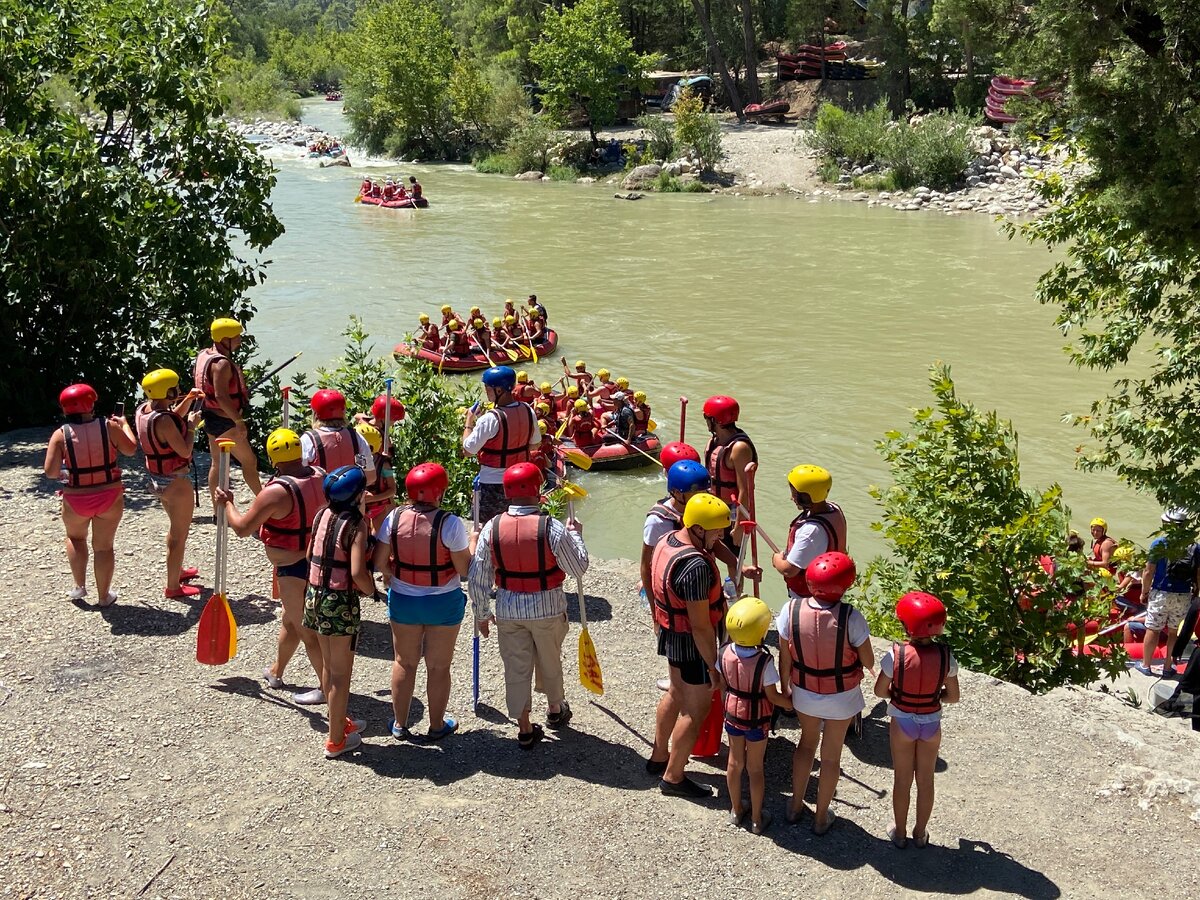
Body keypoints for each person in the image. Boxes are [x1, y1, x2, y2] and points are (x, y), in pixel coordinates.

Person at [469, 462, 589, 748]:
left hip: (509, 609)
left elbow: (478, 578)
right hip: (548, 607)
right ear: (538, 491)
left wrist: (482, 614)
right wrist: (576, 535)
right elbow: (578, 567)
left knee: (516, 667)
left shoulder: (491, 529)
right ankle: (555, 709)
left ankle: (524, 727)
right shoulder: (554, 528)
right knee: (550, 661)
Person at [218, 429, 328, 705]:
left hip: (293, 569)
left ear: (272, 458)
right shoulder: (320, 475)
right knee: (290, 621)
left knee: (307, 631)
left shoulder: (276, 492)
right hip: (316, 561)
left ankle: (328, 690)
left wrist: (228, 504)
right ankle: (276, 672)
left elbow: (243, 528)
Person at [777, 551, 874, 833]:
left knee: (806, 745)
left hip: (805, 692)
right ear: (844, 586)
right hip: (842, 698)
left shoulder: (790, 610)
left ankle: (795, 805)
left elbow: (785, 656)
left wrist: (786, 687)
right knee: (831, 756)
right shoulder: (851, 617)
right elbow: (867, 661)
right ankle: (821, 817)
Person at [374, 463, 471, 741]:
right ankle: (437, 725)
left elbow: (380, 562)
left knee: (404, 662)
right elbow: (463, 569)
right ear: (440, 492)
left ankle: (400, 725)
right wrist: (473, 546)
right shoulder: (450, 523)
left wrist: (391, 574)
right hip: (443, 603)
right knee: (438, 666)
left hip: (404, 600)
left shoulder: (393, 517)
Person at [649, 493, 733, 797]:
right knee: (695, 709)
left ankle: (659, 756)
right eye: (717, 531)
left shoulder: (669, 539)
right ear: (698, 529)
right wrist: (713, 667)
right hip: (690, 642)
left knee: (675, 691)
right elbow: (700, 625)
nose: (722, 535)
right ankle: (673, 777)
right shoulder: (695, 567)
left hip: (671, 634)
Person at [874, 592, 960, 848]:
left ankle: (899, 834)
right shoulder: (946, 657)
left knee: (902, 779)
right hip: (931, 723)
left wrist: (899, 695)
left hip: (902, 722)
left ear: (905, 625)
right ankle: (920, 834)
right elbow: (953, 697)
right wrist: (935, 696)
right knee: (926, 779)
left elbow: (879, 691)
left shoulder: (896, 655)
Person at [306, 466, 378, 759]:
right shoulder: (357, 525)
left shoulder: (321, 515)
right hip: (339, 601)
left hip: (314, 595)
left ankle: (338, 721)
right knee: (340, 674)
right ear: (357, 496)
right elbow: (358, 571)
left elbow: (310, 554)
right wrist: (371, 591)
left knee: (328, 666)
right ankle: (336, 740)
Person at [43, 383, 137, 606]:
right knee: (104, 547)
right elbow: (131, 449)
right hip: (109, 496)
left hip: (76, 498)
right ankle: (104, 597)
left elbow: (51, 472)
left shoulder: (60, 434)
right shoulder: (109, 427)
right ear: (91, 404)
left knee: (76, 539)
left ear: (65, 408)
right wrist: (124, 425)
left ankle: (79, 587)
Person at [721, 597, 791, 835]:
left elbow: (722, 683)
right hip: (756, 721)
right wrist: (791, 703)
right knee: (755, 768)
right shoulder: (764, 662)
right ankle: (757, 819)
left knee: (734, 762)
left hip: (732, 715)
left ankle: (736, 808)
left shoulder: (724, 653)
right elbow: (772, 696)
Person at [134, 369, 204, 598]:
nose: (178, 388)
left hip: (158, 479)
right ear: (168, 390)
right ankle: (173, 586)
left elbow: (170, 417)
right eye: (175, 387)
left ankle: (177, 570)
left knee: (175, 530)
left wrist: (189, 400)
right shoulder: (163, 420)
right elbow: (184, 449)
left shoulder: (144, 410)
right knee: (178, 536)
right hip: (177, 482)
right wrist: (192, 425)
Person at [194, 318, 262, 505]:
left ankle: (218, 511)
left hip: (210, 418)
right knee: (249, 462)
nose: (240, 340)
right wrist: (239, 421)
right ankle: (265, 502)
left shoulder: (204, 355)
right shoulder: (222, 364)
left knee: (217, 464)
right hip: (226, 422)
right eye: (236, 337)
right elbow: (222, 397)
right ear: (224, 339)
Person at [462, 366, 541, 524]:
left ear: (499, 390)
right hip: (521, 481)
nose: (486, 391)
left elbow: (468, 450)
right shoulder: (528, 410)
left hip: (493, 483)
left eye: (487, 388)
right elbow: (535, 445)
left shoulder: (489, 419)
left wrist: (469, 422)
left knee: (488, 528)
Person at [772, 465, 847, 601]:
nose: (791, 498)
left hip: (810, 598)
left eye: (794, 494)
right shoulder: (834, 508)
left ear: (806, 497)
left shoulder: (811, 531)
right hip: (831, 589)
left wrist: (776, 559)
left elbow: (789, 570)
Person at [1137, 508, 1197, 676]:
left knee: (1153, 629)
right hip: (1183, 594)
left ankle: (1146, 665)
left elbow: (1148, 572)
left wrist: (1144, 592)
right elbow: (1198, 573)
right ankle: (1167, 667)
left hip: (1161, 592)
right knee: (1173, 630)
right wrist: (1196, 591)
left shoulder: (1159, 544)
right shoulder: (1194, 547)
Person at [702, 395, 756, 519]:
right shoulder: (712, 442)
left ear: (715, 420)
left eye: (706, 417)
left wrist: (738, 527)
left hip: (732, 511)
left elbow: (745, 490)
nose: (706, 421)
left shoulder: (739, 449)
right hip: (712, 504)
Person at [302, 389, 375, 476]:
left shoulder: (308, 440)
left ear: (315, 414)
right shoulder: (356, 436)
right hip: (352, 489)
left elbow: (299, 477)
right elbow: (371, 476)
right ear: (343, 412)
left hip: (319, 489)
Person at [355, 423, 395, 532]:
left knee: (382, 537)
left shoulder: (384, 465)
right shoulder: (353, 461)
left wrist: (373, 498)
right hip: (360, 507)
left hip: (379, 506)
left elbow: (392, 490)